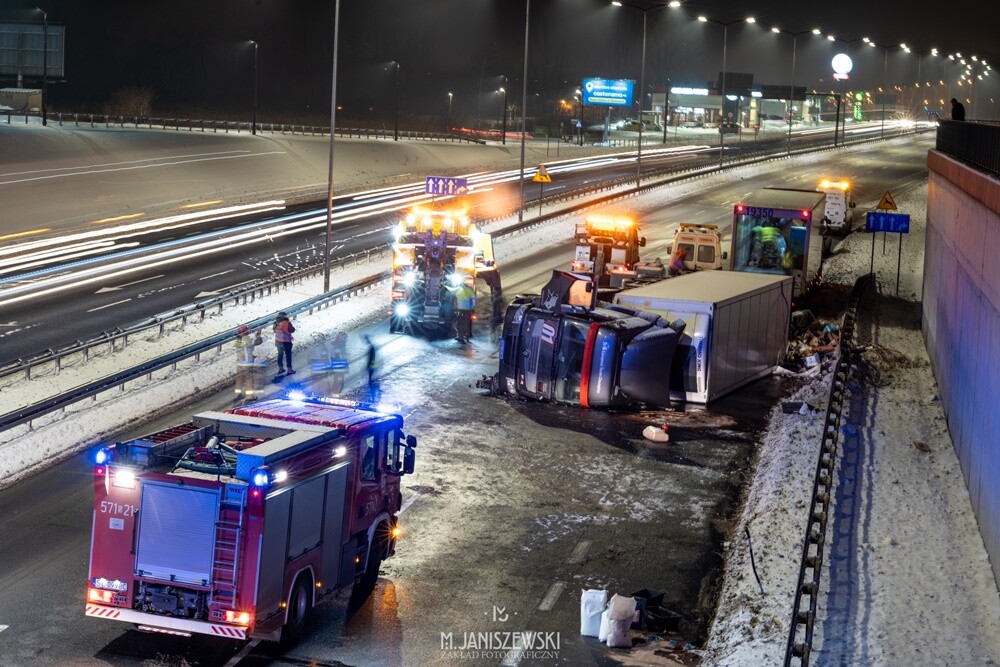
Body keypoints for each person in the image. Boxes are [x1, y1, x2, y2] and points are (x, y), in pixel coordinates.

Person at [234, 325, 264, 401]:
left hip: (239, 363)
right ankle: (249, 396)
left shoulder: (238, 340)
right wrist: (258, 335)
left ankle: (237, 394)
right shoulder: (247, 339)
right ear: (246, 331)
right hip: (246, 363)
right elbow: (258, 342)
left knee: (239, 378)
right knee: (249, 379)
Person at [454, 278, 476, 343]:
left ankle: (460, 336)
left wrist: (455, 308)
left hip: (461, 309)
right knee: (467, 323)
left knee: (460, 323)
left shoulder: (458, 289)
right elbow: (473, 299)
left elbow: (455, 299)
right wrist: (472, 308)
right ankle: (466, 336)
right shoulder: (470, 290)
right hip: (468, 310)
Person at [363, 334, 381, 401]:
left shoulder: (372, 348)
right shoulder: (372, 347)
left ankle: (373, 397)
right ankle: (373, 396)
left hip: (372, 367)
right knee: (371, 381)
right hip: (372, 367)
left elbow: (372, 358)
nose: (366, 341)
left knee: (371, 382)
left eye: (366, 340)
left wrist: (369, 366)